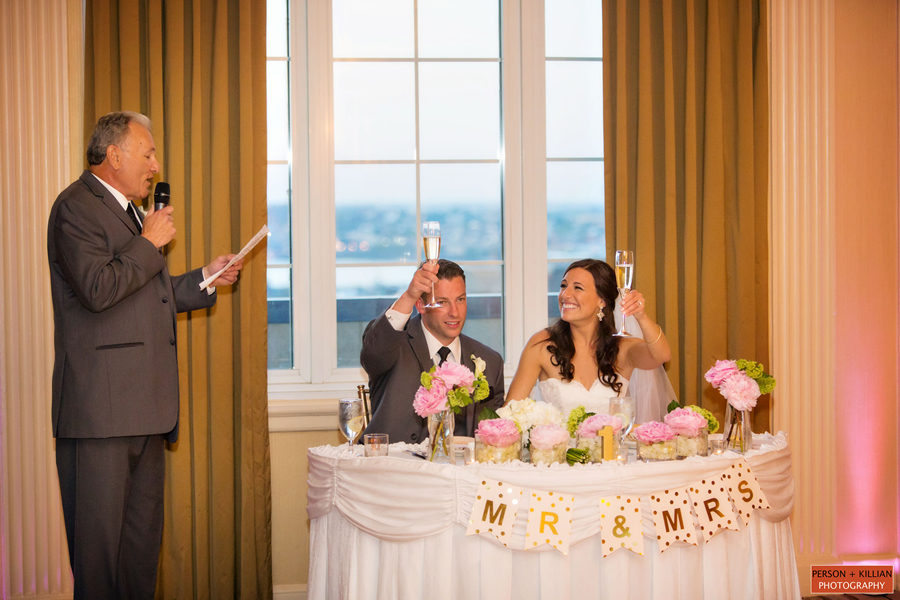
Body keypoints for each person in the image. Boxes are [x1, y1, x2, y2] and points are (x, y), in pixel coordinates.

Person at [47, 111, 242, 599]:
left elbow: (147, 294)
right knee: (98, 565)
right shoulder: (75, 208)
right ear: (114, 156)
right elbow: (97, 288)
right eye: (147, 153)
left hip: (147, 411)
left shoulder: (132, 214)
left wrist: (205, 278)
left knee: (138, 560)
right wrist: (149, 242)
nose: (156, 165)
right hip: (100, 415)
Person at [361, 259, 505, 444]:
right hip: (395, 468)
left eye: (460, 299)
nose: (455, 312)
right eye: (442, 302)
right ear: (420, 305)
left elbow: (492, 436)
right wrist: (409, 295)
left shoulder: (490, 361)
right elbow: (373, 352)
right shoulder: (394, 345)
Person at [506, 258, 671, 418]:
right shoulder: (542, 344)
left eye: (577, 288)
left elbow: (661, 356)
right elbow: (510, 412)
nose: (565, 294)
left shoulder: (623, 348)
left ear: (602, 300)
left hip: (610, 446)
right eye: (563, 286)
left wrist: (641, 316)